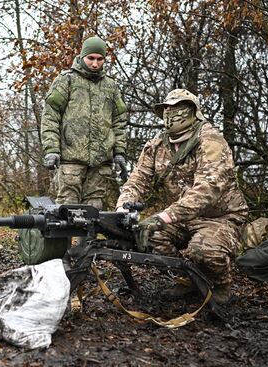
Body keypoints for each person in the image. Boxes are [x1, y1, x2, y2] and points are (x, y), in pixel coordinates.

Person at [115, 88, 248, 304]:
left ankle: (220, 283)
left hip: (219, 217)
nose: (171, 115)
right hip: (181, 218)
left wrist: (163, 217)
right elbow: (137, 180)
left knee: (204, 252)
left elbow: (208, 190)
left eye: (178, 109)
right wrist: (124, 208)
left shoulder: (211, 141)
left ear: (192, 112)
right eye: (167, 109)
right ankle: (188, 279)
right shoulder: (158, 145)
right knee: (146, 237)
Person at [41, 35, 128, 211]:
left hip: (101, 162)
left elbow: (119, 121)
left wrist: (119, 151)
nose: (95, 64)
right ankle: (65, 240)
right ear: (82, 57)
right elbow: (51, 115)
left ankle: (88, 241)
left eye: (99, 59)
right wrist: (52, 150)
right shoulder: (67, 80)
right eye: (91, 58)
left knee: (94, 209)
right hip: (70, 159)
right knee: (67, 209)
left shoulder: (111, 86)